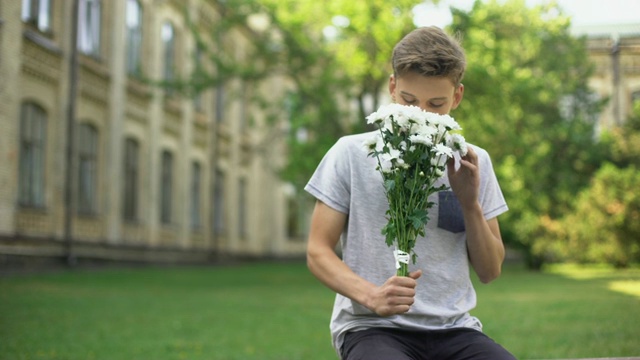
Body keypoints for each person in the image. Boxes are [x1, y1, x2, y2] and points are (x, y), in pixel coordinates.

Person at [304, 26, 516, 360]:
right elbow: (318, 251)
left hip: (454, 330)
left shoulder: (473, 162)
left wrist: (470, 203)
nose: (420, 115)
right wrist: (372, 296)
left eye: (436, 104)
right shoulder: (350, 153)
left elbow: (490, 271)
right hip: (372, 329)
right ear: (392, 87)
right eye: (409, 101)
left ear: (457, 97)